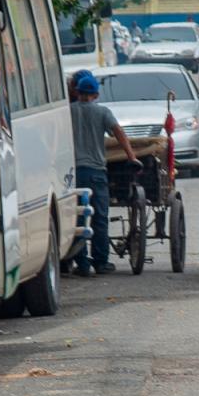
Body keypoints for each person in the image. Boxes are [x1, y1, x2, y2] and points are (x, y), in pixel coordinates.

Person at [69, 71, 136, 276]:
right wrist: (131, 156)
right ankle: (100, 262)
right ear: (96, 95)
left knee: (78, 219)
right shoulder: (102, 112)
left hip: (74, 174)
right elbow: (119, 133)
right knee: (99, 217)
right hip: (96, 173)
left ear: (77, 92)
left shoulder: (67, 112)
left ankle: (81, 263)